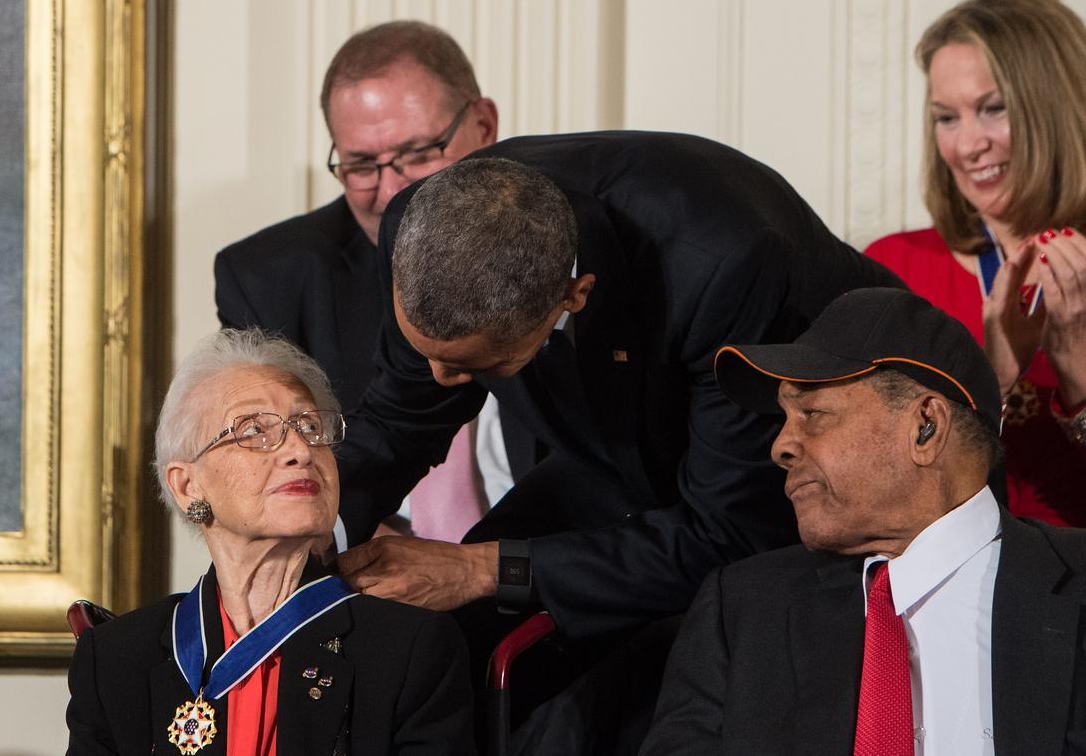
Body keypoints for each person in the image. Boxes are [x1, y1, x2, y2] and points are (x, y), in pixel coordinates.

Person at [331, 133, 903, 718]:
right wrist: (312, 530)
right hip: (617, 452)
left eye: (477, 366)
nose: (437, 376)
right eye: (423, 349)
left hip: (821, 469)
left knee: (623, 699)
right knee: (437, 642)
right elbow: (399, 417)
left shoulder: (723, 261)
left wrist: (483, 567)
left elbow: (725, 533)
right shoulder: (420, 227)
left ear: (574, 296)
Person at [640, 287, 1086, 756]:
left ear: (925, 427)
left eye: (812, 414)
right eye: (784, 419)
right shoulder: (741, 613)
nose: (780, 447)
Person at [65, 329, 474, 755]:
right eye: (253, 430)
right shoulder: (114, 659)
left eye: (311, 427)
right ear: (188, 486)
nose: (299, 449)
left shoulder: (410, 651)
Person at [214, 20, 521, 542]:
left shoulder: (561, 238)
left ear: (484, 126)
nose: (391, 194)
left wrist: (483, 572)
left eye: (419, 154)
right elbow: (260, 480)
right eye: (361, 165)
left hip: (554, 575)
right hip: (370, 581)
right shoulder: (270, 278)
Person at [865, 0, 1086, 526]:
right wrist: (989, 384)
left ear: (1054, 108)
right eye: (947, 117)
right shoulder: (895, 268)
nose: (969, 145)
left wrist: (1079, 376)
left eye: (994, 108)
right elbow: (866, 485)